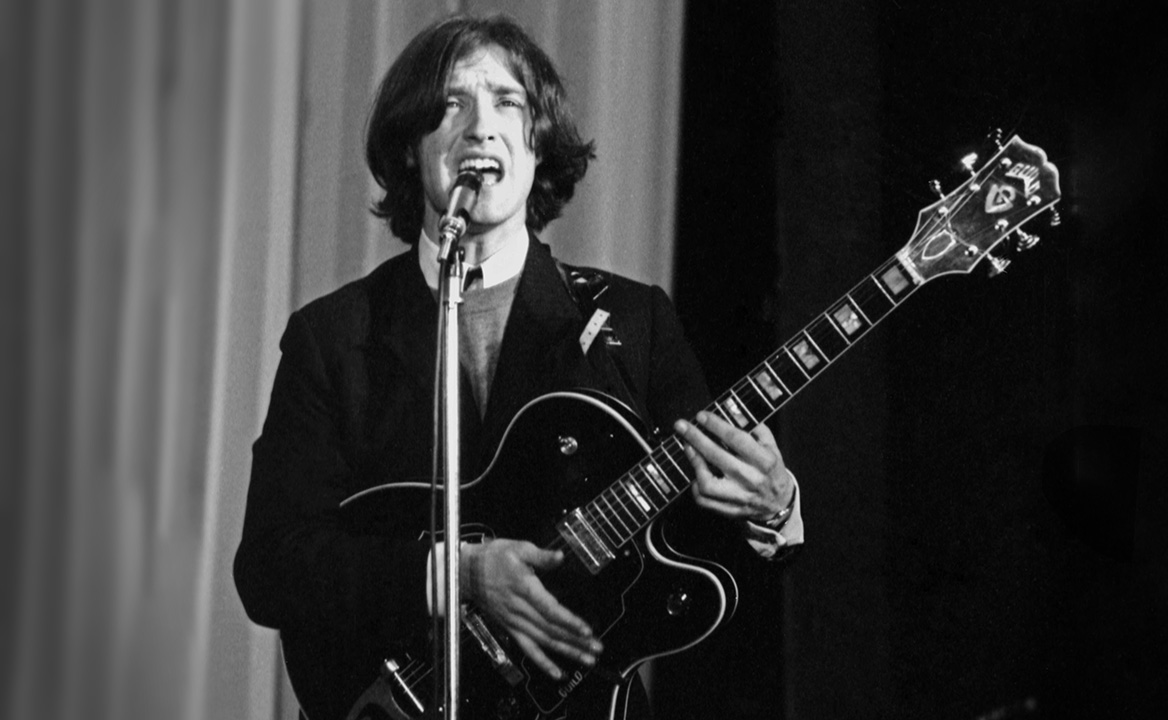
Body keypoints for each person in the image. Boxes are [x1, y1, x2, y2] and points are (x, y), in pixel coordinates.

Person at [234, 14, 803, 720]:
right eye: (451, 104)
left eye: (508, 103)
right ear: (412, 149)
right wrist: (455, 575)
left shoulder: (634, 322)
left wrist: (775, 508)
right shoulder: (332, 336)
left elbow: (703, 551)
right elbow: (270, 566)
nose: (481, 127)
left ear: (538, 149)